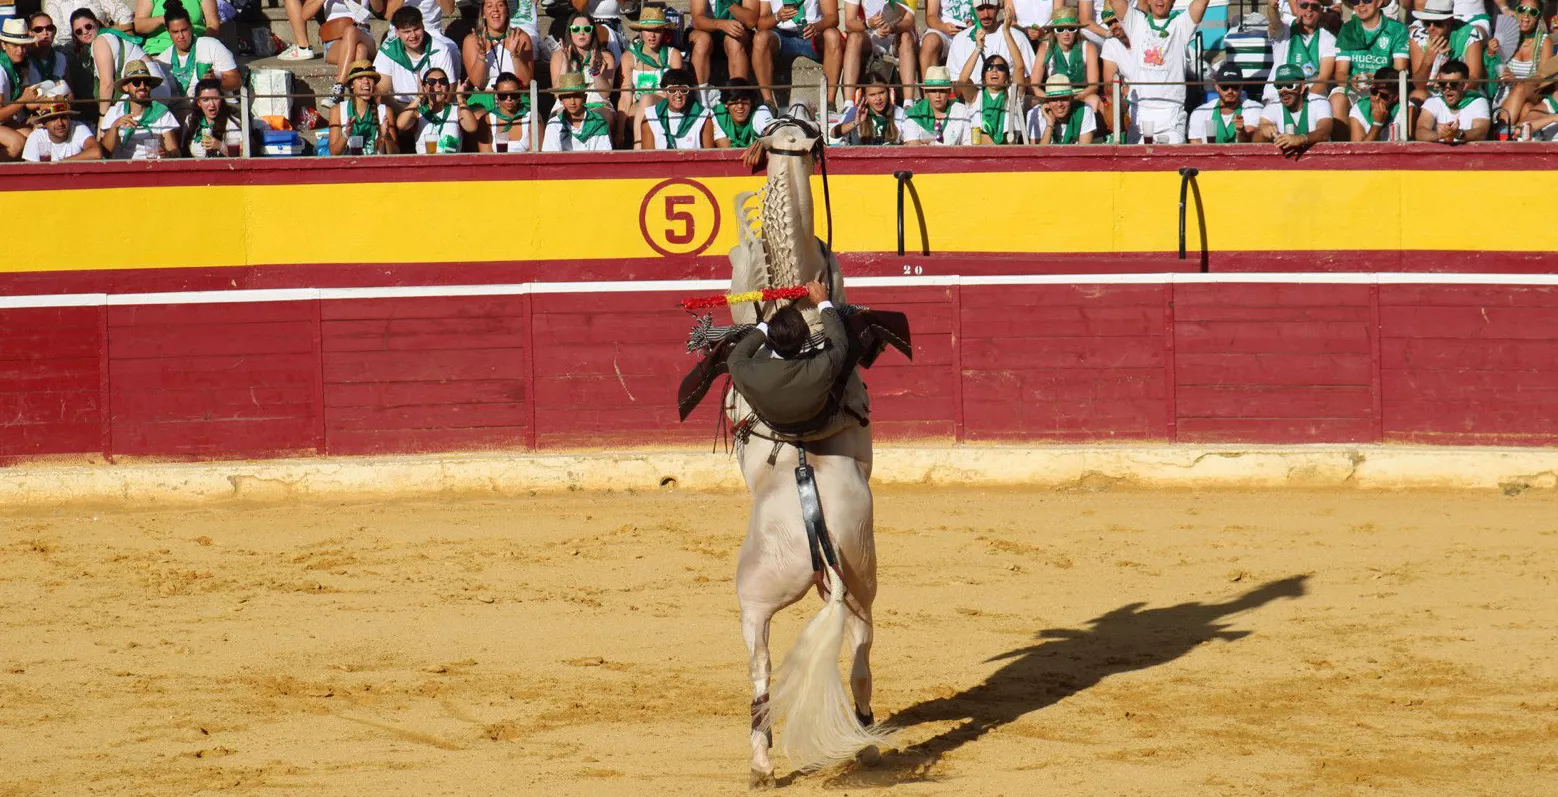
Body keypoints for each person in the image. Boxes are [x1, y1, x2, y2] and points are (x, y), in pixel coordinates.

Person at [726, 279, 850, 430]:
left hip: (773, 422)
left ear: (770, 338)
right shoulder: (823, 365)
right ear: (805, 338)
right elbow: (839, 341)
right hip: (816, 417)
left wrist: (763, 329)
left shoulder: (748, 371)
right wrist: (822, 301)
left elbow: (736, 356)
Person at [1109, 0, 1210, 144]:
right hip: (1140, 114)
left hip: (1172, 115)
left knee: (1172, 164)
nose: (1160, 1)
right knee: (1136, 164)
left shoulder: (1181, 24)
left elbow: (1202, 3)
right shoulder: (1136, 22)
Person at [276, 0, 375, 113]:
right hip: (335, 39)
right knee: (360, 50)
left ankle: (339, 86)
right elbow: (304, 15)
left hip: (362, 33)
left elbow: (378, 8)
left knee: (351, 30)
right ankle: (359, 110)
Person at [71, 8, 169, 117]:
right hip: (155, 88)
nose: (85, 32)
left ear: (97, 23)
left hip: (149, 87)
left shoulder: (100, 41)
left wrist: (103, 116)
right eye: (79, 31)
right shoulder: (109, 35)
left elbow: (107, 83)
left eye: (88, 26)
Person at [1331, 0, 1409, 132]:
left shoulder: (1397, 29)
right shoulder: (1347, 28)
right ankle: (1343, 149)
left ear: (1379, 2)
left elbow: (1399, 71)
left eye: (1367, 0)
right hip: (1355, 88)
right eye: (1355, 1)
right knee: (1337, 99)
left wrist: (1380, 81)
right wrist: (1350, 81)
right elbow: (1340, 73)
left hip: (1384, 88)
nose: (1360, 4)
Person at [753, 0, 843, 109]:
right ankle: (768, 103)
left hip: (813, 32)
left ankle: (829, 104)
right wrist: (777, 17)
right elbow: (761, 24)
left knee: (833, 35)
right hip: (781, 35)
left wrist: (816, 27)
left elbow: (833, 17)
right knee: (760, 39)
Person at [618, 6, 682, 146]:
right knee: (644, 103)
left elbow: (677, 89)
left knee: (647, 100)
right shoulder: (629, 56)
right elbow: (625, 96)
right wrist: (619, 131)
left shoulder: (673, 55)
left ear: (664, 31)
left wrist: (651, 98)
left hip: (666, 104)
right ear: (641, 31)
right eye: (648, 30)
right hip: (637, 108)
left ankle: (638, 146)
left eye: (657, 30)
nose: (652, 36)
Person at [375, 6, 462, 107]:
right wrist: (406, 114)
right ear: (397, 33)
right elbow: (382, 92)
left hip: (432, 107)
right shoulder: (388, 50)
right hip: (399, 107)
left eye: (416, 29)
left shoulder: (440, 49)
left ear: (423, 26)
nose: (413, 36)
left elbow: (449, 91)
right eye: (407, 31)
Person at [98, 58, 179, 158]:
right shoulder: (115, 112)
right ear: (125, 87)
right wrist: (114, 127)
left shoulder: (162, 113)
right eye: (136, 82)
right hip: (122, 169)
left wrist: (166, 154)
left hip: (151, 169)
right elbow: (104, 154)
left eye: (146, 82)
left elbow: (174, 152)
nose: (142, 86)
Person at [947, 0, 1032, 95]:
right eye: (980, 9)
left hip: (1007, 101)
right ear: (973, 9)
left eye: (990, 7)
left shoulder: (1018, 37)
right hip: (972, 103)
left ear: (998, 7)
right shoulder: (960, 40)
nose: (986, 14)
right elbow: (958, 85)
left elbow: (1025, 79)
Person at [152, 3, 238, 96]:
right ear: (168, 31)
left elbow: (236, 81)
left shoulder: (211, 46)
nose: (181, 36)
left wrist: (216, 82)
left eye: (184, 30)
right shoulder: (162, 60)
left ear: (191, 27)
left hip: (209, 107)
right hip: (177, 109)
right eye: (175, 32)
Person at [1409, 0, 1488, 101]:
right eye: (1427, 23)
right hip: (1431, 92)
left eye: (1437, 23)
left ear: (1450, 21)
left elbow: (1474, 79)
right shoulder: (1417, 37)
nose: (1431, 28)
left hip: (1461, 91)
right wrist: (1427, 61)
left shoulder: (1470, 34)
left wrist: (1447, 86)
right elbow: (1418, 85)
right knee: (1417, 95)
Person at [844, 0, 918, 101]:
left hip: (896, 34)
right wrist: (868, 24)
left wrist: (893, 27)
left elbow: (909, 21)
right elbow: (849, 24)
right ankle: (848, 103)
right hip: (869, 34)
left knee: (906, 37)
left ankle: (908, 102)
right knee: (853, 37)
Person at [549, 12, 616, 125]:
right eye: (575, 29)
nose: (581, 32)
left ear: (592, 31)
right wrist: (565, 64)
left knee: (599, 119)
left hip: (597, 103)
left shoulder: (606, 56)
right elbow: (557, 94)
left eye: (586, 29)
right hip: (567, 104)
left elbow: (605, 94)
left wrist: (595, 71)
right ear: (570, 32)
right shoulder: (558, 56)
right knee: (556, 122)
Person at [1264, 0, 1335, 103]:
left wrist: (1302, 103)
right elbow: (1274, 22)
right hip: (1277, 94)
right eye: (1304, 5)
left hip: (1312, 97)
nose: (1309, 9)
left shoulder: (1328, 38)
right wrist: (1272, 7)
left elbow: (1323, 79)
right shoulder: (1285, 28)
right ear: (1296, 8)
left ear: (1320, 10)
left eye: (1314, 6)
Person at [1257, 61, 1333, 153]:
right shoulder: (1272, 106)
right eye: (1279, 86)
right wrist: (1262, 132)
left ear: (1301, 87)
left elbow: (1324, 132)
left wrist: (1301, 139)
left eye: (1289, 86)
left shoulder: (1319, 102)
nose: (1283, 91)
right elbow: (1255, 141)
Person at [1035, 6, 1100, 112]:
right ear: (1054, 32)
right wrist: (1052, 99)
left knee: (1094, 100)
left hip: (1079, 94)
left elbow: (1094, 86)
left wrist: (1072, 99)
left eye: (1071, 29)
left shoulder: (1088, 47)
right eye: (1060, 29)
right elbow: (1034, 85)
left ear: (1077, 30)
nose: (1066, 33)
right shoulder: (1045, 47)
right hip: (1053, 95)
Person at [327, 59, 397, 154]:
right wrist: (345, 135)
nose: (366, 82)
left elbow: (395, 154)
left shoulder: (385, 111)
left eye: (370, 78)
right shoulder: (337, 110)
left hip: (375, 166)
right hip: (349, 166)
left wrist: (386, 136)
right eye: (360, 78)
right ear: (352, 85)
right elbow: (334, 152)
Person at [831, 73, 924, 144]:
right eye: (872, 95)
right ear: (865, 96)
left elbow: (911, 142)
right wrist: (855, 123)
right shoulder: (856, 111)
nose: (878, 99)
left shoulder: (899, 113)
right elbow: (833, 134)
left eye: (881, 92)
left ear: (888, 92)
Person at [1415, 57, 1491, 140]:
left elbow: (1481, 132)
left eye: (1453, 84)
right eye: (1443, 84)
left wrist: (1458, 134)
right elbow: (1420, 132)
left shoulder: (1478, 102)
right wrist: (1440, 135)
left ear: (1464, 85)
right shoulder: (1432, 102)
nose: (1447, 88)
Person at [0, 18, 45, 159]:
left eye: (24, 46)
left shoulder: (20, 67)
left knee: (35, 138)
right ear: (3, 45)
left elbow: (30, 102)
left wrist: (52, 100)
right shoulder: (0, 70)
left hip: (5, 122)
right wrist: (22, 100)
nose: (20, 51)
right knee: (17, 143)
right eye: (15, 45)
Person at [688, 0, 757, 90]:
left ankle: (739, 95)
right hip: (705, 28)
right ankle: (700, 96)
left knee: (734, 41)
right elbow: (697, 20)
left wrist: (728, 2)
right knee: (702, 40)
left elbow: (751, 22)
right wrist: (721, 24)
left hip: (736, 31)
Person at [1188, 61, 1262, 142]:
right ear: (1216, 87)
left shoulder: (1254, 108)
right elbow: (1196, 145)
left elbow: (1252, 143)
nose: (1230, 91)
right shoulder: (1200, 112)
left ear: (1241, 86)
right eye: (1225, 86)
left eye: (1235, 86)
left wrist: (1240, 131)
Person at [640, 67, 712, 149]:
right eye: (672, 90)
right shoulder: (651, 116)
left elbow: (709, 155)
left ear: (689, 92)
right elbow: (648, 157)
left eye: (683, 90)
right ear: (664, 91)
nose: (678, 95)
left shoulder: (703, 116)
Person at [542, 69, 612, 150]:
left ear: (585, 98)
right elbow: (552, 158)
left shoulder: (599, 123)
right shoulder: (554, 124)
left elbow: (603, 157)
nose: (572, 102)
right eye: (567, 97)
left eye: (577, 96)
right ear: (561, 100)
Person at [395, 66, 462, 151]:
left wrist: (461, 99)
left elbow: (472, 127)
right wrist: (419, 97)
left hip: (452, 163)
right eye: (432, 82)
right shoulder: (419, 113)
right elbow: (401, 125)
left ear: (448, 87)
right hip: (425, 163)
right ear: (425, 88)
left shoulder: (456, 110)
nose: (438, 85)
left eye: (443, 81)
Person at [904, 64, 972, 143]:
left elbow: (968, 145)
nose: (937, 96)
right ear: (926, 92)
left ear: (949, 91)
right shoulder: (914, 114)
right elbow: (912, 148)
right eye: (933, 90)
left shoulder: (961, 110)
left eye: (942, 90)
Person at [466, 70, 530, 151]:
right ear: (496, 94)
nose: (509, 98)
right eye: (503, 95)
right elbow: (486, 157)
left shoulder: (531, 118)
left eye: (514, 94)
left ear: (520, 94)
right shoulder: (487, 120)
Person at [180, 77, 245, 156]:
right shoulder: (191, 119)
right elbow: (183, 151)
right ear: (198, 102)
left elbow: (242, 154)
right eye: (205, 100)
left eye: (215, 99)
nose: (212, 105)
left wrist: (220, 146)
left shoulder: (231, 122)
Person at [22, 99, 102, 160]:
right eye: (53, 119)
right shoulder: (36, 136)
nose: (60, 123)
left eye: (64, 118)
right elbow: (30, 170)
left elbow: (96, 152)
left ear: (69, 119)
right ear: (44, 123)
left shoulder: (78, 128)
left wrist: (62, 163)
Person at [132, 0, 217, 57]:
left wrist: (203, 48)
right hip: (159, 49)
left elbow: (212, 23)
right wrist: (168, 18)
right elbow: (139, 25)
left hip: (194, 48)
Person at [1027, 73, 1096, 143]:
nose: (1059, 104)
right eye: (1054, 99)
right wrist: (1050, 124)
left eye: (1063, 98)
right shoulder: (1036, 114)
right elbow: (1038, 153)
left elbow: (1084, 150)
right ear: (1047, 101)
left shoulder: (1084, 110)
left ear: (1071, 99)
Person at [966, 53, 1019, 143]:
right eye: (989, 67)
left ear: (1006, 75)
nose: (994, 71)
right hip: (979, 152)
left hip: (1007, 152)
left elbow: (1019, 66)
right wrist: (978, 49)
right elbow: (963, 79)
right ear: (983, 75)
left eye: (1000, 68)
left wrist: (1007, 37)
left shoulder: (1013, 93)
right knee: (980, 135)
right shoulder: (976, 95)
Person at [1348, 65, 1412, 138]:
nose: (1377, 98)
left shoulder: (1407, 109)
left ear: (1395, 97)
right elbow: (1358, 148)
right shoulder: (1359, 109)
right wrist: (1377, 124)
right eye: (1374, 92)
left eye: (1383, 95)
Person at [711, 76, 774, 147]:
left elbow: (772, 136)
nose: (740, 106)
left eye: (744, 101)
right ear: (725, 104)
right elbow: (726, 150)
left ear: (751, 102)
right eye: (734, 102)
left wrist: (759, 146)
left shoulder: (761, 111)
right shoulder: (717, 114)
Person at [922, 0, 973, 81]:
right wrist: (943, 27)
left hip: (971, 30)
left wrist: (975, 25)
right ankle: (930, 90)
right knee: (930, 41)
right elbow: (931, 16)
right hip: (943, 30)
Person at [24, 13, 72, 86]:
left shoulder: (61, 58)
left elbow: (70, 92)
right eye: (38, 29)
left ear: (55, 31)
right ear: (30, 33)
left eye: (49, 28)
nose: (45, 33)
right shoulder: (23, 58)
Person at [47, 0, 134, 33]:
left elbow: (126, 17)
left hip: (103, 47)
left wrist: (106, 31)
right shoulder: (52, 3)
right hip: (68, 59)